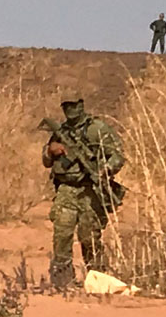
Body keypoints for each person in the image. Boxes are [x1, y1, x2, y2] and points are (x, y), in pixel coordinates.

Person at [40, 98, 124, 288]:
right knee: (62, 235)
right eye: (66, 105)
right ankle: (62, 283)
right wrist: (51, 151)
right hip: (65, 190)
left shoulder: (97, 129)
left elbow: (117, 155)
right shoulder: (61, 131)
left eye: (73, 105)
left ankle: (98, 281)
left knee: (89, 237)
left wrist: (104, 170)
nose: (70, 109)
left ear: (81, 105)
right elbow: (46, 161)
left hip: (90, 191)